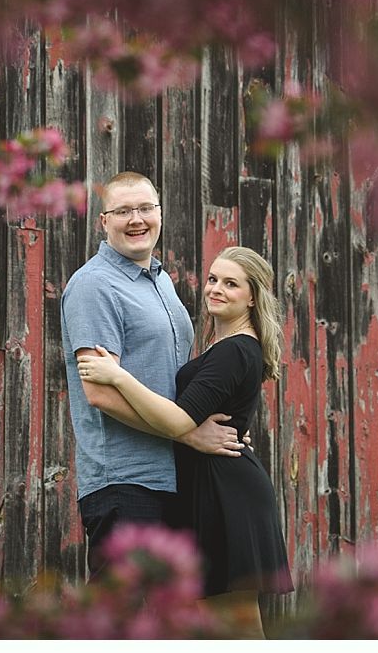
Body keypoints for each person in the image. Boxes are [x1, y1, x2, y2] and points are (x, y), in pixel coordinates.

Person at [77, 246, 294, 638]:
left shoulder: (234, 350)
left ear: (252, 296)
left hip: (226, 492)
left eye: (231, 284)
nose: (216, 289)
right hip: (211, 486)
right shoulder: (224, 347)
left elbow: (179, 418)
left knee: (236, 624)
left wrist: (118, 375)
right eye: (213, 279)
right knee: (215, 625)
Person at [61, 171, 246, 581]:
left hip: (174, 478)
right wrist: (188, 433)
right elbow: (101, 394)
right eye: (123, 210)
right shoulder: (95, 286)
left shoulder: (160, 281)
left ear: (160, 213)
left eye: (145, 208)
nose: (136, 219)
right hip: (126, 481)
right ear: (104, 220)